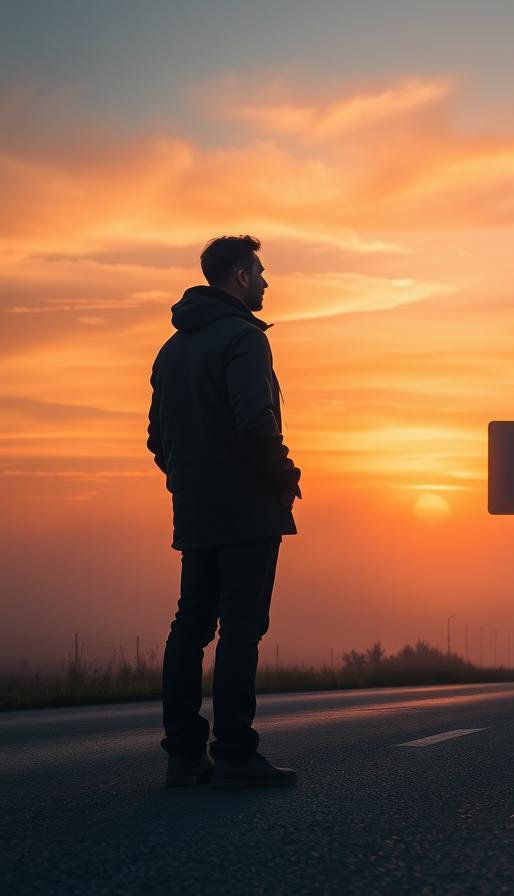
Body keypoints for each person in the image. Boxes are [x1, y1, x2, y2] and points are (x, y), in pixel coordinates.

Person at [147, 235, 302, 789]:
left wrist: (189, 482)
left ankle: (185, 756)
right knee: (241, 629)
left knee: (190, 625)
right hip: (246, 510)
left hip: (195, 510)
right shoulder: (244, 339)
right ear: (239, 276)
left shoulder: (172, 350)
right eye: (259, 271)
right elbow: (256, 422)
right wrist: (284, 479)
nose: (264, 282)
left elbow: (156, 438)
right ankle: (236, 753)